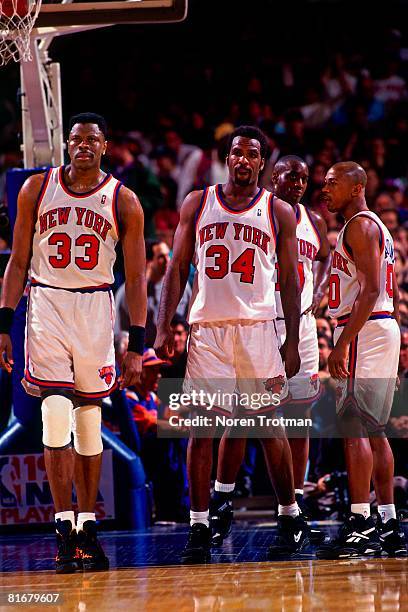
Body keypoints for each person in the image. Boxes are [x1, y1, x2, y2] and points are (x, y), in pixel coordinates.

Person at [0, 113, 147, 573]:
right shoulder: (35, 190)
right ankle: (63, 526)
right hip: (45, 303)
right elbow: (18, 259)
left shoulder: (123, 200)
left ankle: (87, 524)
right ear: (68, 144)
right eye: (77, 139)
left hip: (96, 308)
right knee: (54, 412)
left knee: (88, 422)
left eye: (92, 140)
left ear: (105, 146)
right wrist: (4, 322)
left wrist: (137, 343)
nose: (83, 145)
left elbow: (138, 277)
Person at [155, 125, 303, 563]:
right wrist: (163, 326)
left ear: (262, 163)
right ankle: (200, 525)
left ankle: (289, 516)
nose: (242, 160)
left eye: (251, 154)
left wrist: (291, 341)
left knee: (269, 427)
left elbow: (291, 282)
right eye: (236, 152)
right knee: (203, 431)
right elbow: (178, 266)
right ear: (227, 158)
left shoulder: (278, 211)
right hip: (209, 330)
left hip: (258, 328)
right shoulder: (198, 202)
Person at [212, 155, 331, 545]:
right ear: (273, 176)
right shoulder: (259, 211)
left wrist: (323, 290)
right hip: (261, 321)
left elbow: (327, 260)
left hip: (302, 326)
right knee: (245, 414)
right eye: (290, 177)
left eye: (303, 179)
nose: (297, 183)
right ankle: (223, 496)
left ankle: (295, 500)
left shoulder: (315, 221)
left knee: (298, 416)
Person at [317, 161, 407, 558]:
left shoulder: (360, 225)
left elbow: (370, 292)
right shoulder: (378, 229)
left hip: (364, 329)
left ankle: (359, 525)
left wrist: (340, 344)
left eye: (333, 184)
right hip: (381, 327)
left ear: (356, 188)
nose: (325, 189)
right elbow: (394, 293)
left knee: (353, 425)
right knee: (375, 429)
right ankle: (387, 522)